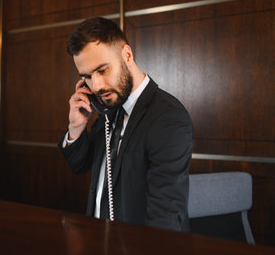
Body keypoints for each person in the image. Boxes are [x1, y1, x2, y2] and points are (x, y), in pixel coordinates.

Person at [58, 17, 193, 232]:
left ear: (127, 55)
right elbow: (79, 165)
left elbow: (166, 214)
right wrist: (76, 127)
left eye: (102, 70)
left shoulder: (168, 118)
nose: (97, 86)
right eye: (87, 77)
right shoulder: (108, 107)